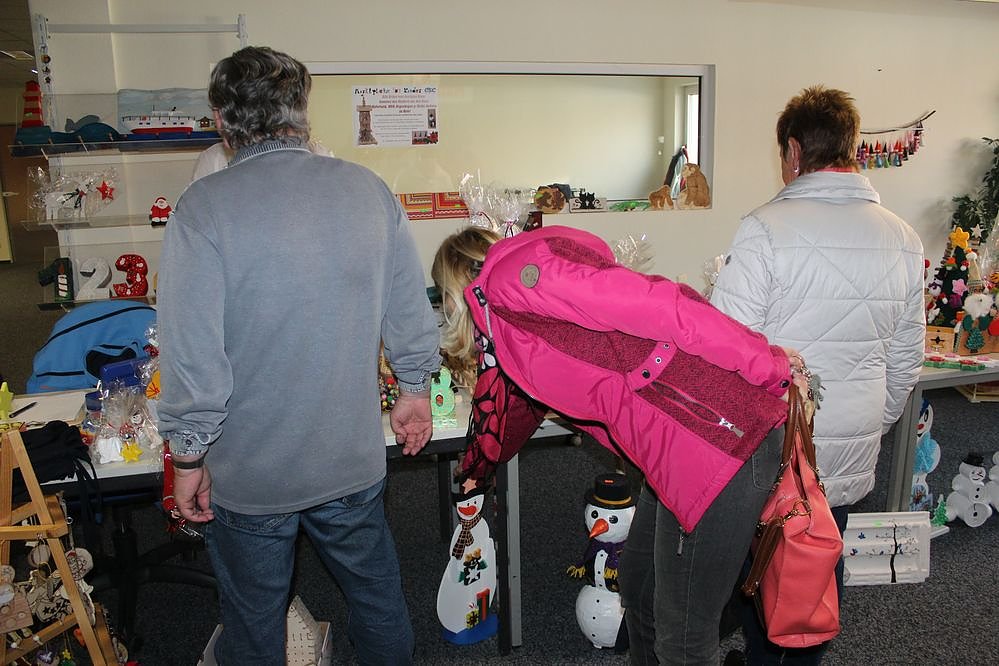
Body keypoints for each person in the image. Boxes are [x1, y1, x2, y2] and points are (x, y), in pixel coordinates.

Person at [156, 46, 441, 665]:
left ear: (221, 120)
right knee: (377, 598)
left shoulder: (202, 208)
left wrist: (188, 456)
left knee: (255, 620)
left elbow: (192, 356)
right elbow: (410, 312)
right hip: (349, 458)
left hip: (251, 472)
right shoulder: (369, 191)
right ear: (300, 111)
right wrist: (415, 391)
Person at [431, 224, 811, 665]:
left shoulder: (514, 278)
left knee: (683, 635)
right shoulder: (504, 316)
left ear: (452, 287)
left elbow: (666, 305)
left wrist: (767, 363)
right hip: (676, 446)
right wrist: (475, 472)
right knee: (639, 588)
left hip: (718, 444)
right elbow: (508, 410)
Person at [710, 85, 925, 665]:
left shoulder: (764, 229)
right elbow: (906, 361)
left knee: (766, 567)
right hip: (852, 440)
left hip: (777, 445)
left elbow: (727, 353)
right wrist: (868, 423)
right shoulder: (904, 238)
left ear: (795, 151)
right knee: (818, 567)